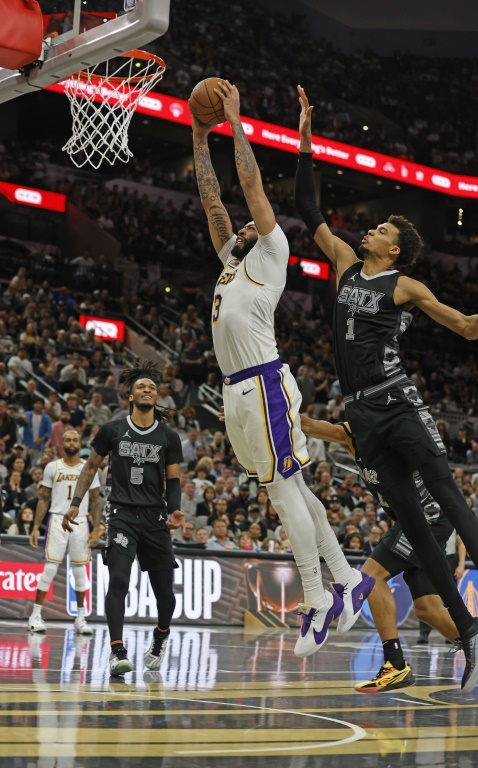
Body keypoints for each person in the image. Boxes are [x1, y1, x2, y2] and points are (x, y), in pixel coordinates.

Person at [295, 85, 478, 690]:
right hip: (363, 416)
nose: (368, 230)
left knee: (448, 496)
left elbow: (465, 327)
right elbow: (306, 207)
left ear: (394, 248)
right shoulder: (347, 266)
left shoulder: (405, 286)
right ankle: (466, 635)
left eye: (378, 229)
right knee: (421, 545)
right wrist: (304, 132)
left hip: (397, 400)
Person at [191, 79, 374, 658]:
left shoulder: (271, 253)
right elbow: (213, 199)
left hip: (264, 383)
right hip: (236, 392)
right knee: (285, 491)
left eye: (248, 224)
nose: (239, 226)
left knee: (287, 496)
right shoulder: (232, 259)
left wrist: (237, 121)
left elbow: (245, 186)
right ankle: (346, 580)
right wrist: (199, 136)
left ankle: (318, 599)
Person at [301, 415, 463, 693]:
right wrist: (252, 411)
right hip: (414, 518)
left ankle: (395, 665)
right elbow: (307, 425)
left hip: (427, 515)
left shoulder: (390, 430)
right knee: (427, 610)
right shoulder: (352, 434)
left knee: (369, 577)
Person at [61, 361, 184, 676]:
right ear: (130, 396)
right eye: (141, 387)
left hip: (155, 518)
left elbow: (173, 479)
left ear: (156, 397)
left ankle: (160, 638)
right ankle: (117, 651)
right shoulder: (113, 429)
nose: (147, 390)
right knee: (118, 580)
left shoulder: (168, 437)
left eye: (152, 388)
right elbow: (89, 468)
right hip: (121, 514)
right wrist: (76, 502)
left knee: (166, 596)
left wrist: (174, 509)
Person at [27, 429, 102, 634]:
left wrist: (96, 529)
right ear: (62, 443)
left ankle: (80, 618)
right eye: (67, 439)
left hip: (80, 521)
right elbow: (43, 498)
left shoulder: (89, 468)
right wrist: (35, 526)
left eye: (74, 439)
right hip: (58, 518)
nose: (71, 442)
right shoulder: (53, 467)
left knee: (80, 570)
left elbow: (96, 500)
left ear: (80, 443)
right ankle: (35, 615)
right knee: (50, 567)